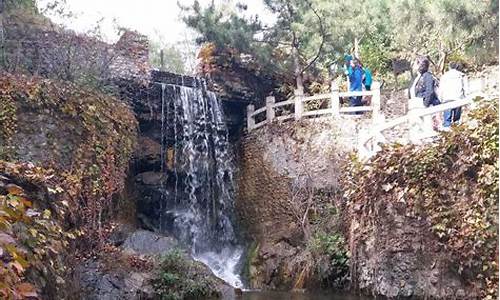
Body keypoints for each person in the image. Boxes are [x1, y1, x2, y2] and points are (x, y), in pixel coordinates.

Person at [438, 62, 467, 129]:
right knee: (457, 119)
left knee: (447, 120)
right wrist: (465, 99)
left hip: (447, 99)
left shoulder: (444, 76)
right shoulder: (461, 75)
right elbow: (465, 88)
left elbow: (441, 88)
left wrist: (440, 99)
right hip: (458, 98)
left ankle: (447, 133)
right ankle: (457, 133)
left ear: (449, 67)